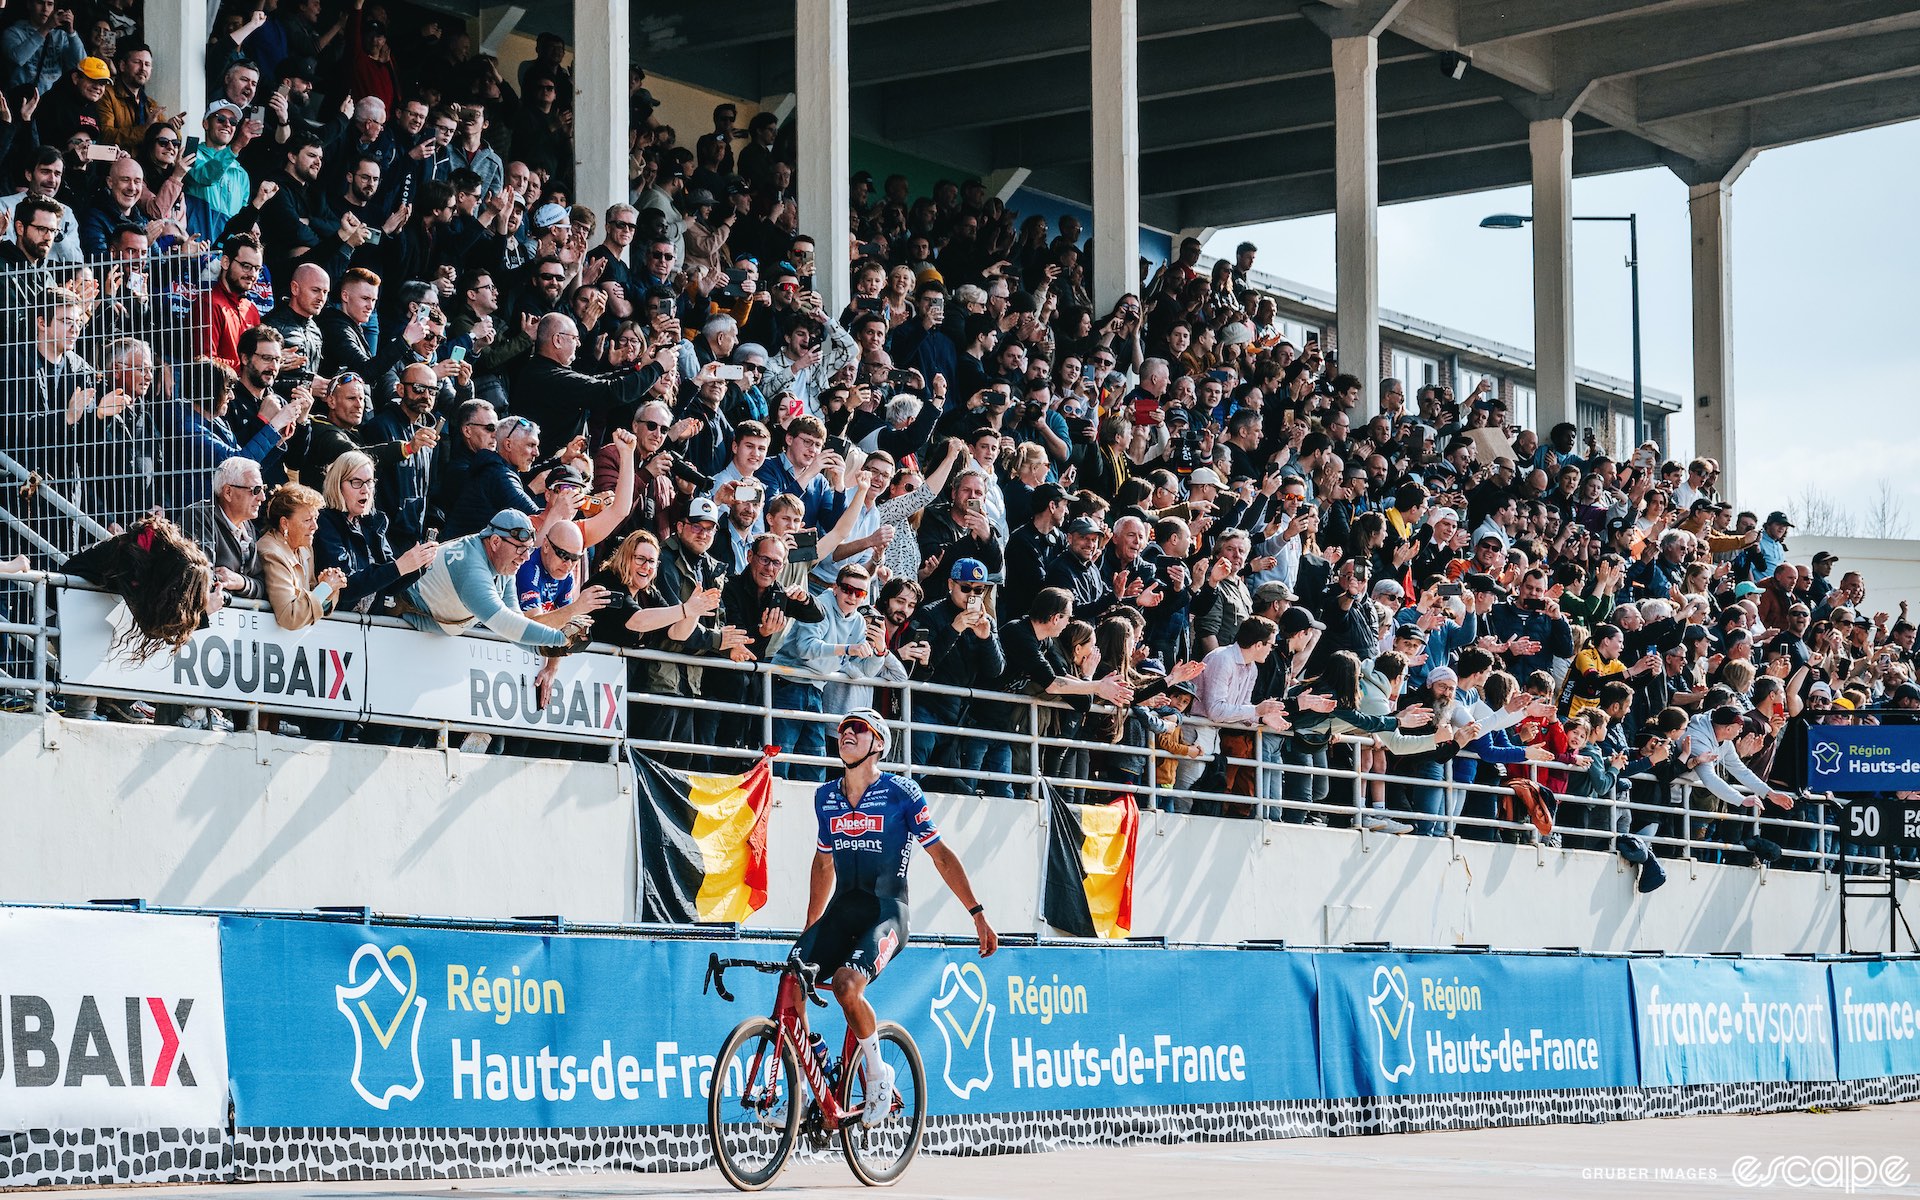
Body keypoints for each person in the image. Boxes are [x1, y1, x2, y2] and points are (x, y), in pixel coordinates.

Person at [792, 708, 997, 1125]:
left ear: (878, 744)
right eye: (843, 727)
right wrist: (811, 925)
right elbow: (822, 864)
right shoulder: (825, 797)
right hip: (842, 911)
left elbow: (939, 855)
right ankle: (808, 1074)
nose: (846, 732)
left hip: (887, 913)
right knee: (792, 974)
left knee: (848, 986)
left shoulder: (902, 793)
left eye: (858, 728)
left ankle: (876, 1071)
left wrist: (976, 914)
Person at [256, 482, 344, 631]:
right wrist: (326, 588)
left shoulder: (304, 548)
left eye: (315, 518)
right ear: (285, 523)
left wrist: (328, 588)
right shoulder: (271, 552)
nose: (315, 526)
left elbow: (310, 600)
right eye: (307, 520)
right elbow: (290, 615)